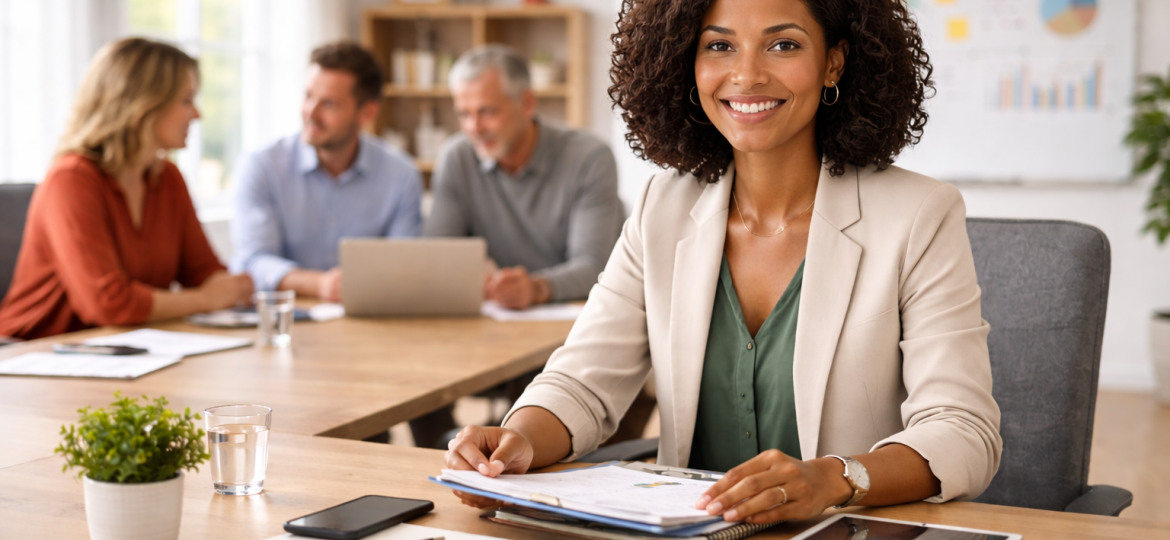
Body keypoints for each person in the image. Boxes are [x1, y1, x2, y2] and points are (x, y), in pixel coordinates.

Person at [444, 0, 1002, 526]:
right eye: (719, 46)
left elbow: (962, 430)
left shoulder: (918, 215)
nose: (747, 75)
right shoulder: (662, 207)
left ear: (834, 61)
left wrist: (832, 480)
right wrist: (517, 438)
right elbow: (582, 382)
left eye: (783, 45)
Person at [0, 38, 253, 340]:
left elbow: (202, 271)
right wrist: (207, 300)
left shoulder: (168, 178)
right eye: (186, 100)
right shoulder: (70, 180)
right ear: (142, 103)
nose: (197, 115)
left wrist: (230, 288)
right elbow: (108, 305)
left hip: (120, 349)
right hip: (33, 352)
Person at [424, 45, 624, 310]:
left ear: (527, 103)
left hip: (568, 320)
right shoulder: (457, 156)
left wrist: (536, 288)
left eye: (487, 112)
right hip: (490, 316)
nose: (474, 128)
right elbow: (438, 253)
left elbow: (595, 266)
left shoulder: (589, 157)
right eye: (464, 114)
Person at [231, 42, 422, 302]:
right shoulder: (262, 166)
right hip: (287, 319)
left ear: (367, 112)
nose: (311, 112)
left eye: (329, 104)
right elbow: (252, 261)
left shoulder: (401, 176)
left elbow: (406, 264)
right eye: (308, 96)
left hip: (370, 320)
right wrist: (318, 284)